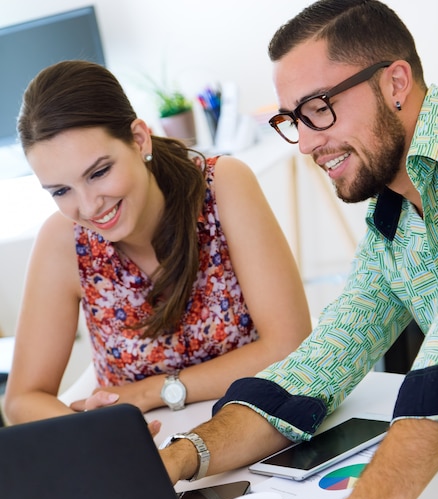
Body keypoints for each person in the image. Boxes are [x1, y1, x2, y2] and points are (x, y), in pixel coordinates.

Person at [157, 0, 438, 499]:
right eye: (292, 120)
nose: (306, 143)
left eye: (319, 109)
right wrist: (181, 456)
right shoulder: (395, 216)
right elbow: (318, 366)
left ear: (396, 83)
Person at [3, 60, 311, 424]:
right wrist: (98, 435)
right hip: (145, 455)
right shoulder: (63, 240)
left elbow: (289, 344)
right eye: (61, 190)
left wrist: (153, 391)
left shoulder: (222, 186)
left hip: (254, 423)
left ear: (139, 139)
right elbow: (22, 400)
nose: (88, 206)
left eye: (99, 172)